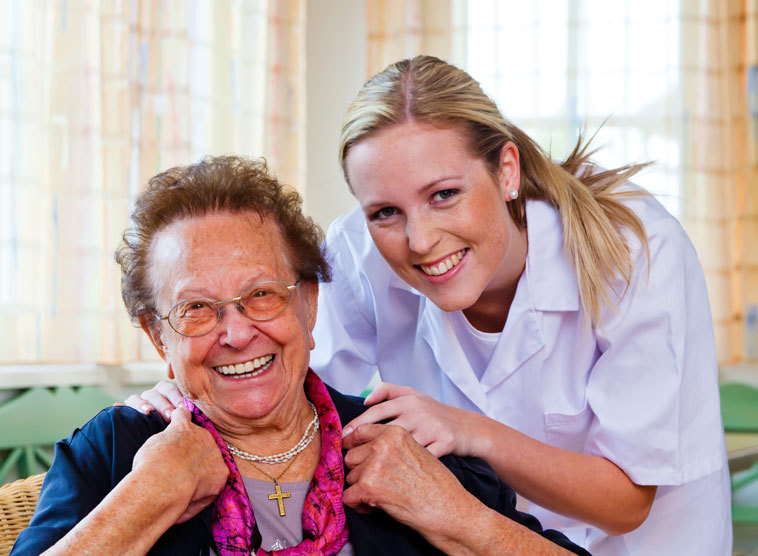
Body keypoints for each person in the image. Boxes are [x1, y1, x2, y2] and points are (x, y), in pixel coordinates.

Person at [127, 56, 732, 554]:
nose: (418, 240)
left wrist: (468, 431)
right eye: (385, 212)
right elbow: (294, 394)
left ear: (507, 169)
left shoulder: (632, 249)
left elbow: (626, 501)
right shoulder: (356, 255)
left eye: (444, 195)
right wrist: (187, 392)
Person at [11, 156, 586, 556]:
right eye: (196, 309)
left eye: (261, 295)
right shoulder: (116, 454)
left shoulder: (400, 444)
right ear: (160, 338)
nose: (236, 333)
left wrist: (452, 514)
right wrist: (146, 498)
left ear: (309, 306)